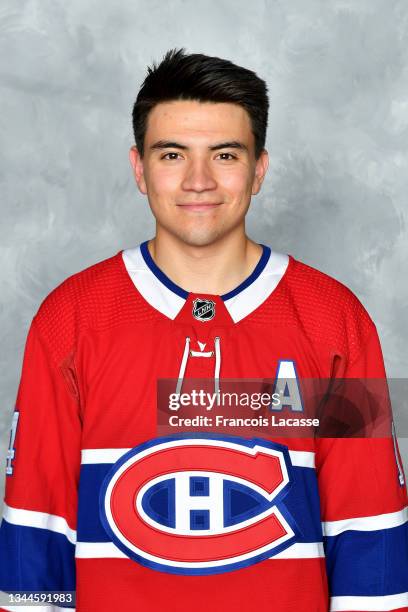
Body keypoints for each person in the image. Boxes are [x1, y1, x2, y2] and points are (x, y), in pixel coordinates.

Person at [0, 48, 407, 612]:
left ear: (259, 169)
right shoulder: (71, 320)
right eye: (172, 154)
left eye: (224, 154)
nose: (198, 180)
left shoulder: (332, 321)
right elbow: (35, 536)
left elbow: (371, 538)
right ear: (139, 169)